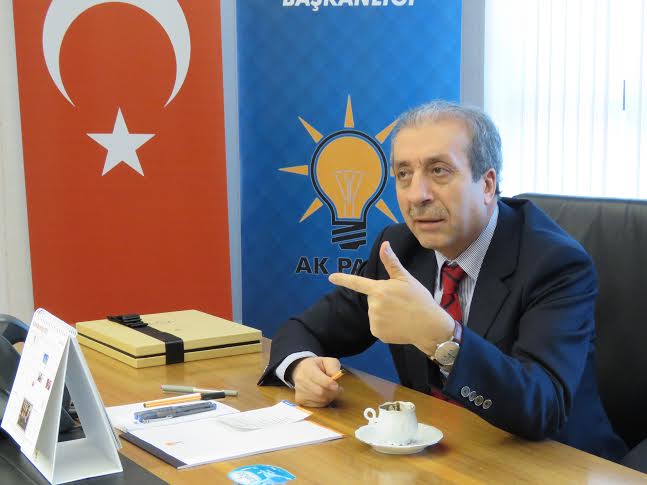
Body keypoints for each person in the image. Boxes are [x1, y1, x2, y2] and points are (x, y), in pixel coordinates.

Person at [258, 100, 627, 461]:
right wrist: (301, 368)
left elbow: (542, 407)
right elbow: (304, 329)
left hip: (557, 463)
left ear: (487, 185)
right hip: (445, 456)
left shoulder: (554, 263)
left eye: (438, 171)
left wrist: (444, 339)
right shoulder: (399, 248)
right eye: (404, 174)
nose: (417, 196)